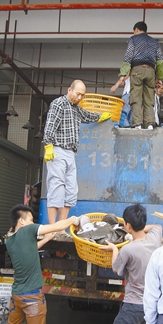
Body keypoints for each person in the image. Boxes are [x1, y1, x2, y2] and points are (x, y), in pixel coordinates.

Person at [0, 204, 80, 324]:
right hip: (33, 296)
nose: (33, 222)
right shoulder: (29, 230)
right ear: (22, 221)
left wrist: (47, 239)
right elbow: (59, 226)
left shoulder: (10, 240)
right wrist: (74, 220)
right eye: (31, 219)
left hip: (16, 296)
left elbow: (30, 248)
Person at [100, 204, 162, 324]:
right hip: (149, 307)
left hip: (132, 305)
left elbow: (117, 269)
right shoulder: (154, 240)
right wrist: (141, 227)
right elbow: (157, 228)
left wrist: (113, 249)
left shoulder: (128, 249)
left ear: (127, 226)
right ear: (142, 223)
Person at [43, 79, 111, 234]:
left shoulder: (76, 108)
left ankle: (61, 228)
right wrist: (48, 145)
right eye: (77, 94)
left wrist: (101, 117)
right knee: (56, 188)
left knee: (71, 191)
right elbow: (50, 125)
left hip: (70, 153)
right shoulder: (58, 104)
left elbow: (87, 116)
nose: (80, 97)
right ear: (69, 90)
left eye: (82, 95)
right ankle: (52, 228)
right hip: (57, 150)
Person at [118, 21, 163, 131]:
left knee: (136, 98)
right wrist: (159, 78)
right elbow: (160, 61)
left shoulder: (133, 39)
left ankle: (137, 124)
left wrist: (123, 74)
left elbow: (128, 57)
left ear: (137, 29)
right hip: (150, 71)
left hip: (137, 70)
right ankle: (149, 125)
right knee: (149, 99)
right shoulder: (155, 42)